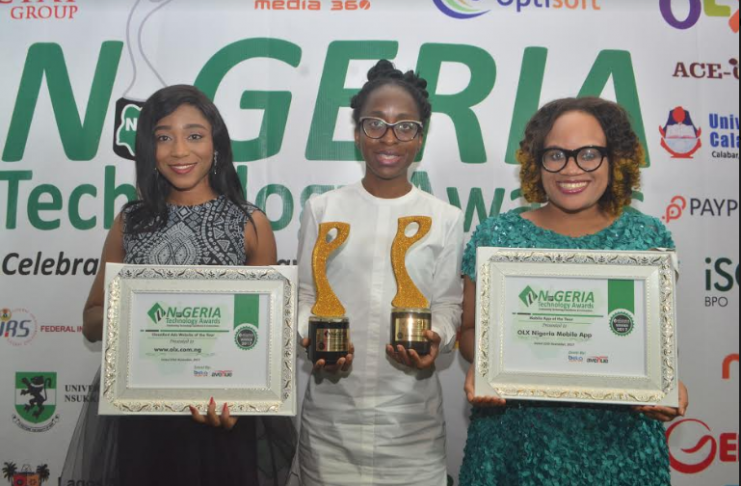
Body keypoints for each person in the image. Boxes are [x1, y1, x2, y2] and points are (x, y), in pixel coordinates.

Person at [60, 85, 296, 486]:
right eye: (164, 137)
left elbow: (265, 336)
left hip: (221, 416)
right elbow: (92, 320)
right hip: (143, 415)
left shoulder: (250, 223)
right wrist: (138, 314)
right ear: (148, 150)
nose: (180, 151)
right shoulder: (130, 222)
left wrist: (240, 402)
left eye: (194, 135)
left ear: (216, 145)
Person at [458, 97, 689, 486]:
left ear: (615, 159)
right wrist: (484, 367)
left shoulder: (649, 238)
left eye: (588, 154)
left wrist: (667, 383)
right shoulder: (496, 235)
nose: (570, 168)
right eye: (555, 155)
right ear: (537, 162)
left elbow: (656, 343)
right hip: (515, 444)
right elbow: (468, 332)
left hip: (621, 450)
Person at [296, 60, 464, 486]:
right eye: (375, 124)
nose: (390, 138)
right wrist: (309, 335)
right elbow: (305, 296)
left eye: (405, 127)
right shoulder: (323, 209)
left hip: (411, 425)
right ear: (357, 133)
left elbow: (448, 304)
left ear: (420, 138)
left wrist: (436, 337)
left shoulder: (444, 218)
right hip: (331, 420)